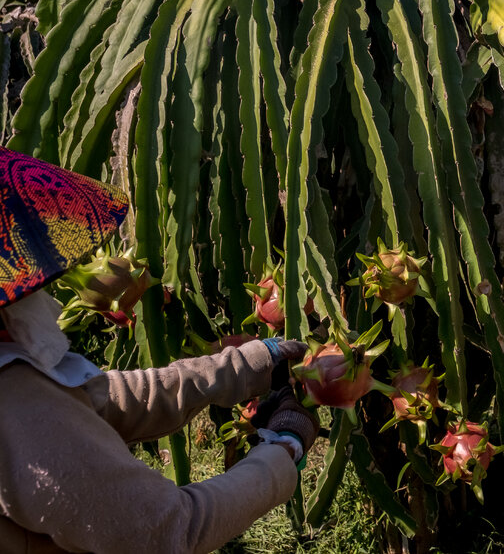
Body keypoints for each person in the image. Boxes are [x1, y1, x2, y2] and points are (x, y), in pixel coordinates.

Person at [0, 147, 320, 554]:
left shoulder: (17, 387)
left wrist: (247, 363)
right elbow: (168, 530)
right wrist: (283, 450)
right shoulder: (16, 409)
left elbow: (102, 399)